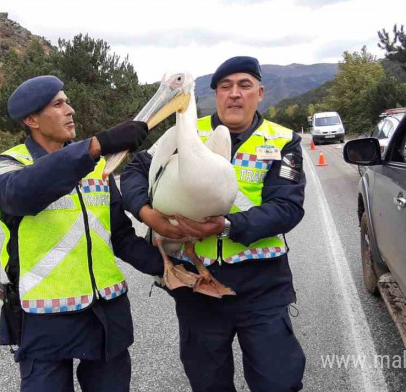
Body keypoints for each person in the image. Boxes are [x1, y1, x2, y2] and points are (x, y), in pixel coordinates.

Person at [121, 57, 307, 392]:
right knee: (208, 384)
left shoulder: (281, 141)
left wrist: (226, 226)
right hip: (199, 289)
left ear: (260, 93)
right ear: (215, 94)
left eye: (244, 85)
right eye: (225, 87)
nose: (235, 94)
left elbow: (287, 208)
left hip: (261, 284)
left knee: (279, 381)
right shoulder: (188, 131)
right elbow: (136, 169)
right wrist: (146, 213)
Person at [0, 75, 164, 392]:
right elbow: (19, 195)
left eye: (67, 101)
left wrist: (171, 268)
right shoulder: (7, 165)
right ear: (31, 119)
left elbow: (120, 237)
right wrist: (96, 146)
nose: (71, 110)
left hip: (107, 311)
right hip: (45, 317)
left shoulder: (98, 168)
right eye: (58, 104)